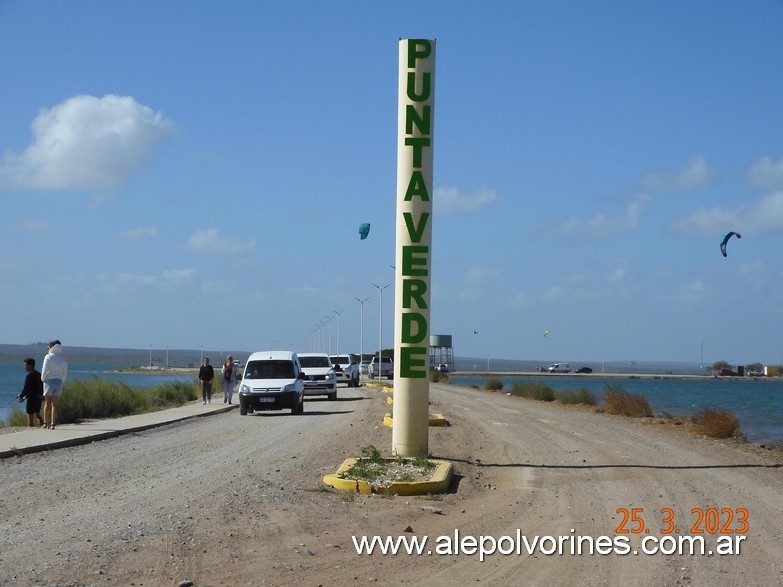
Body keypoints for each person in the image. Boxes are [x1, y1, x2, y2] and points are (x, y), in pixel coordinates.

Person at [41, 340, 68, 430]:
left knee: (47, 403)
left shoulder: (48, 357)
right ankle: (53, 424)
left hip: (49, 381)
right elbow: (64, 373)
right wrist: (61, 381)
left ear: (51, 348)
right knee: (55, 404)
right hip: (59, 382)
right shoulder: (62, 358)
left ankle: (45, 423)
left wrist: (43, 379)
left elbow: (44, 370)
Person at [18, 357, 44, 428]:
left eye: (25, 365)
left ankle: (30, 431)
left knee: (30, 416)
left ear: (30, 365)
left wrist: (21, 396)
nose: (24, 367)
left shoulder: (29, 375)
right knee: (37, 414)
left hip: (32, 399)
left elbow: (26, 388)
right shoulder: (39, 374)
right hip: (39, 397)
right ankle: (43, 428)